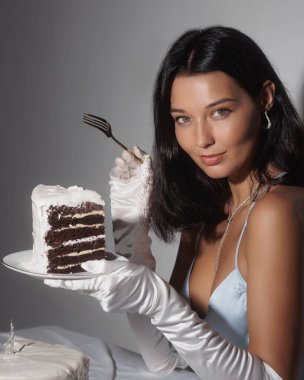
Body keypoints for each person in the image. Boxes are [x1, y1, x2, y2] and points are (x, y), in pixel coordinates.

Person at [45, 26, 304, 379]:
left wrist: (157, 298)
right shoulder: (207, 212)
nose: (201, 139)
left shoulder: (277, 212)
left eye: (220, 112)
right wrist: (130, 238)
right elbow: (167, 360)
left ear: (265, 98)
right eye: (183, 119)